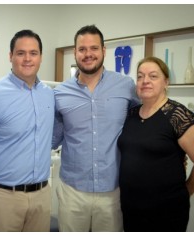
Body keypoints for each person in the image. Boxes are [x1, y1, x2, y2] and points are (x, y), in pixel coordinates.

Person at [52, 24, 140, 232]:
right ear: (75, 52)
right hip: (72, 190)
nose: (88, 54)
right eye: (82, 49)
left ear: (103, 51)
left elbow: (144, 122)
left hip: (113, 190)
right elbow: (53, 137)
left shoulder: (126, 86)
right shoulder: (60, 93)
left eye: (93, 48)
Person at [118, 56, 194, 232]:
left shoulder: (178, 116)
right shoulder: (131, 114)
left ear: (166, 82)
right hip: (131, 207)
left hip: (166, 211)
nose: (145, 81)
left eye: (153, 76)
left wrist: (185, 192)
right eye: (140, 76)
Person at [0, 29, 54, 232]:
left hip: (42, 196)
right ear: (10, 56)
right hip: (3, 199)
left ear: (41, 57)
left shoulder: (49, 95)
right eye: (21, 53)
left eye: (33, 53)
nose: (28, 59)